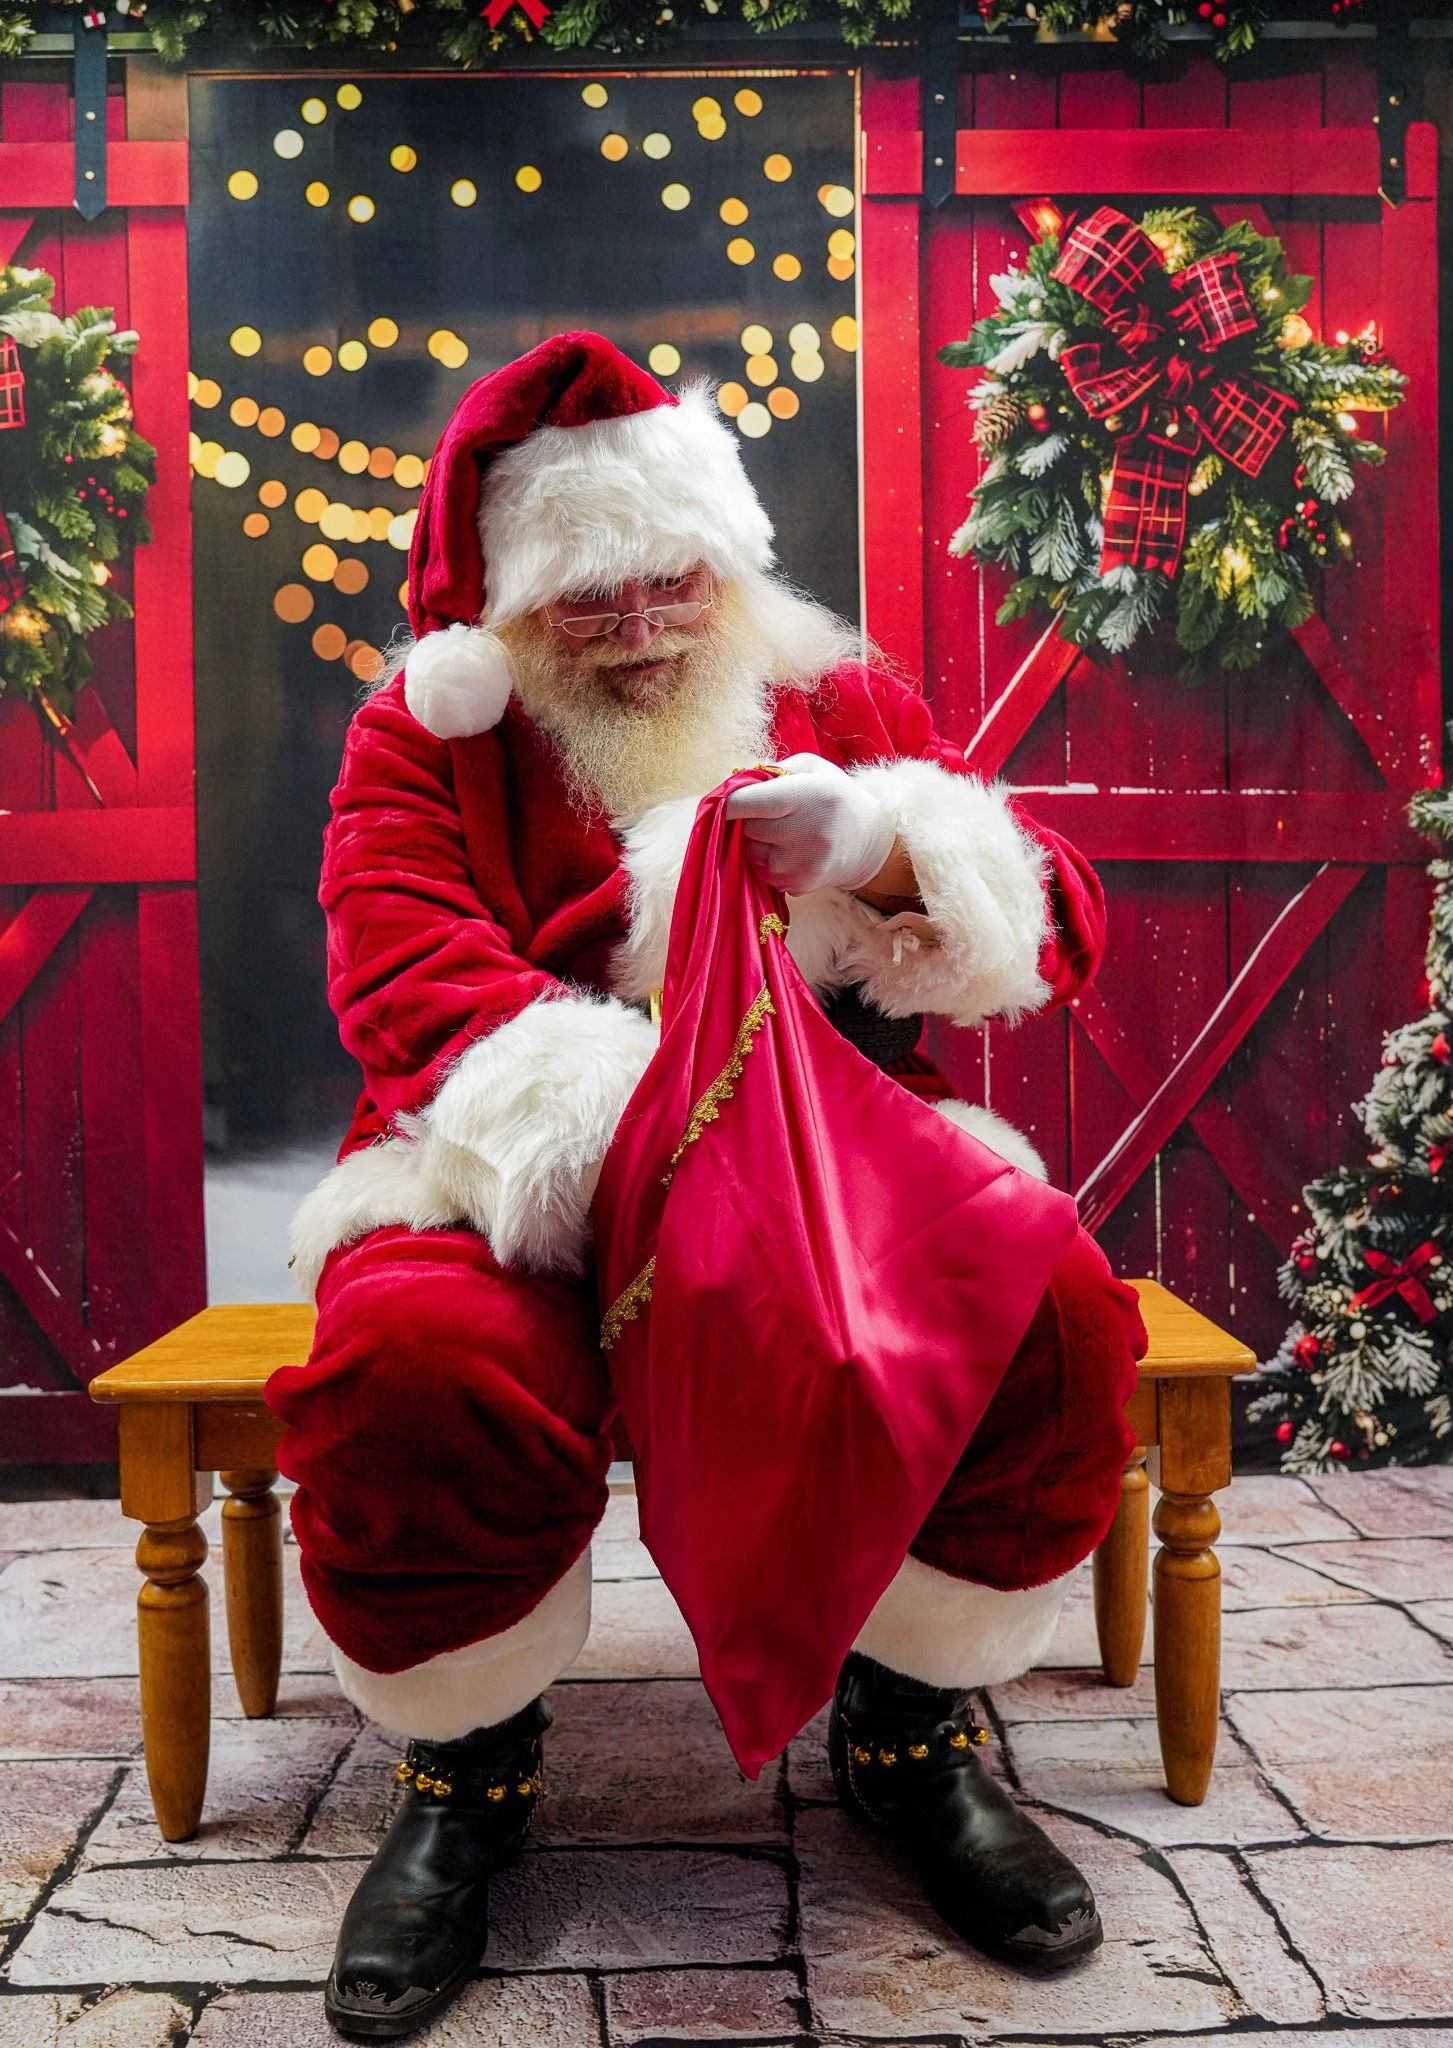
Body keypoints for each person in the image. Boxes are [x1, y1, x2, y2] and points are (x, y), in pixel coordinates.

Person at [269, 331, 1146, 2042]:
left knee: (1044, 1320)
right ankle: (469, 1770)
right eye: (588, 595)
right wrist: (675, 1149)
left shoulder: (838, 705)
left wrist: (889, 846)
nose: (643, 621)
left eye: (670, 577)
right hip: (512, 1171)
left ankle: (909, 1735)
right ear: (513, 610)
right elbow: (402, 977)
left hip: (844, 1160)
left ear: (724, 561)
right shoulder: (426, 737)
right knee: (412, 1372)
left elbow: (1061, 924)